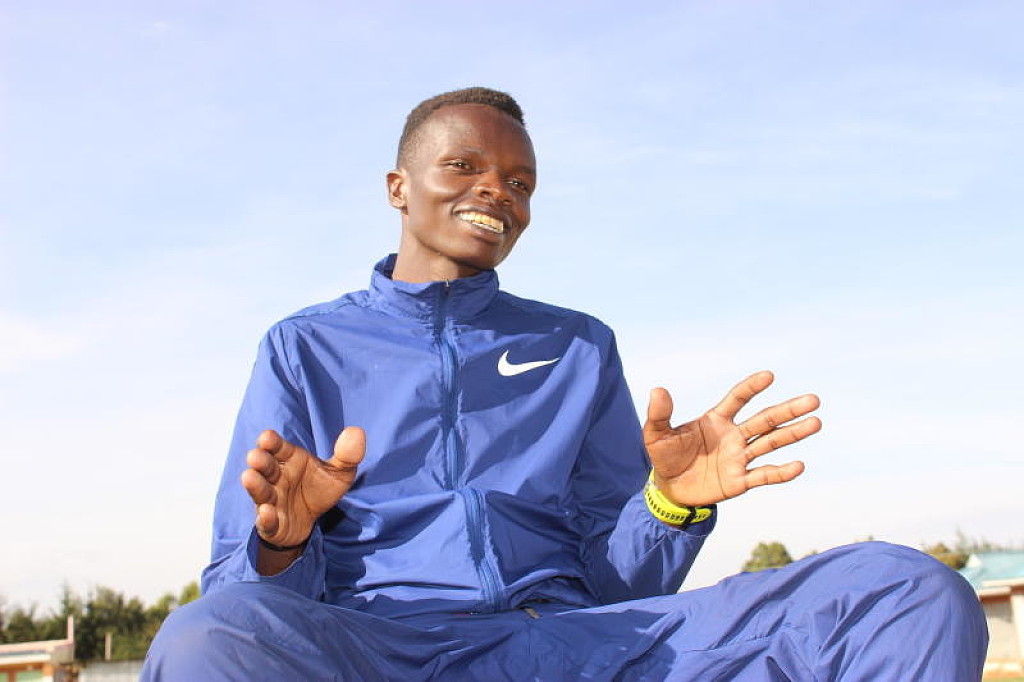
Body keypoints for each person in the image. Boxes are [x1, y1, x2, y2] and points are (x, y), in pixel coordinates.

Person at [143, 87, 987, 681]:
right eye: (464, 166)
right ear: (399, 188)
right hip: (386, 650)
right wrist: (285, 544)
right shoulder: (305, 347)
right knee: (204, 637)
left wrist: (670, 504)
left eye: (520, 183)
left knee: (901, 589)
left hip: (577, 644)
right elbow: (243, 596)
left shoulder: (577, 345)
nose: (496, 191)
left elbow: (618, 585)